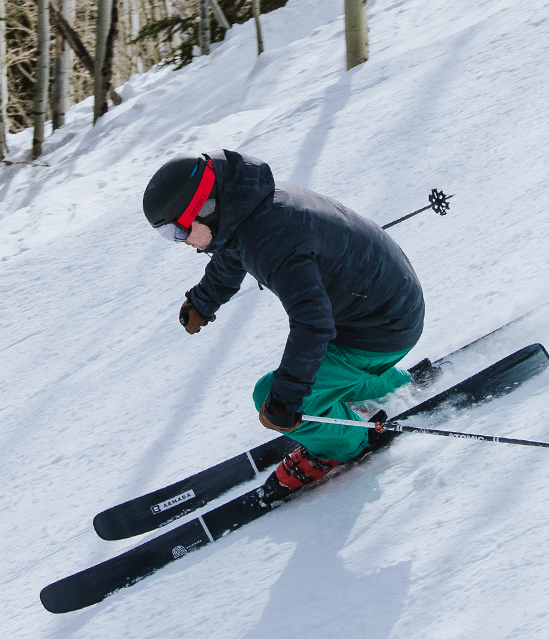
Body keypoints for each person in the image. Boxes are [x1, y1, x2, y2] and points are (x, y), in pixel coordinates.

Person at [142, 150, 424, 502]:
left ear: (204, 209)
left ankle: (345, 444)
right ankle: (383, 382)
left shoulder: (270, 238)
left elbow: (313, 324)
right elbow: (232, 252)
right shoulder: (248, 209)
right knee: (302, 381)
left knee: (269, 395)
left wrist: (287, 400)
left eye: (176, 231)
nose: (179, 241)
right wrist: (203, 300)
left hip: (380, 329)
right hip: (386, 306)